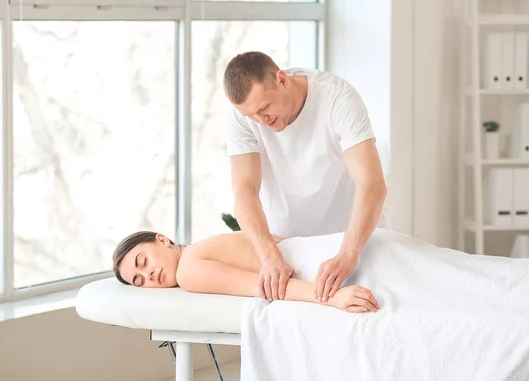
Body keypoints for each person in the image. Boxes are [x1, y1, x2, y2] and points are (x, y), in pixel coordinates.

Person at [222, 51, 389, 304]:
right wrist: (269, 256)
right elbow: (244, 190)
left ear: (281, 79)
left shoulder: (337, 99)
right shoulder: (242, 118)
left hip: (355, 243)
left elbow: (372, 185)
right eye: (251, 116)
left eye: (264, 108)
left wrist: (347, 254)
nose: (261, 121)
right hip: (290, 253)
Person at [113, 229, 381, 313]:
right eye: (139, 281)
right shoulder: (201, 250)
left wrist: (334, 297)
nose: (147, 275)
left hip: (332, 268)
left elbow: (267, 285)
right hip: (344, 249)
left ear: (161, 239)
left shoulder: (188, 270)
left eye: (142, 261)